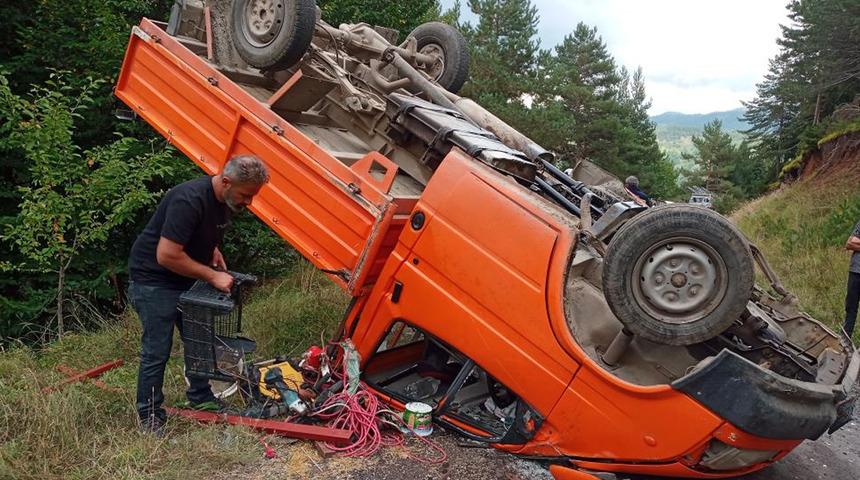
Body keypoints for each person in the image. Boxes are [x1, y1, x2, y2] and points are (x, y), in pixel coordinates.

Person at [128, 155, 269, 434]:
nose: (249, 202)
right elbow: (167, 255)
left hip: (186, 278)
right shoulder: (188, 200)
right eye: (246, 195)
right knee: (157, 349)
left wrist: (212, 250)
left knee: (199, 340)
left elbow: (204, 233)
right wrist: (212, 275)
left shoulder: (226, 202)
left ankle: (201, 398)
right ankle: (149, 415)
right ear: (226, 182)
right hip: (154, 280)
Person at [843, 220, 860, 336]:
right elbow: (849, 244)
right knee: (850, 308)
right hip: (855, 271)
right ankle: (845, 339)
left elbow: (855, 243)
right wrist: (854, 243)